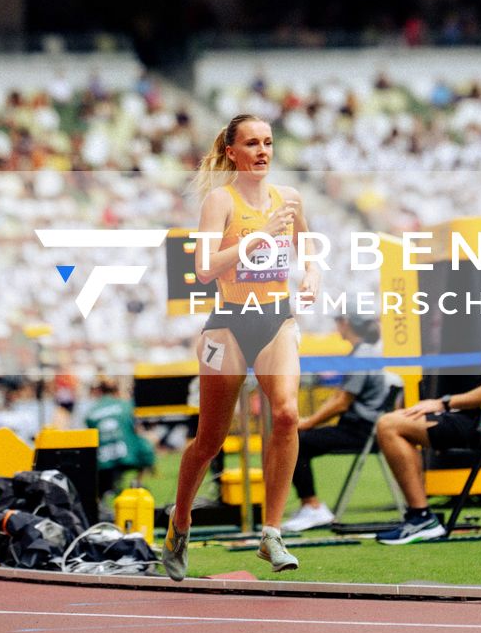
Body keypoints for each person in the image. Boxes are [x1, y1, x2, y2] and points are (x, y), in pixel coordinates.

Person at [162, 113, 318, 581]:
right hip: (228, 323)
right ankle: (180, 522)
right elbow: (205, 268)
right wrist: (260, 236)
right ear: (232, 152)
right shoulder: (220, 201)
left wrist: (311, 274)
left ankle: (271, 532)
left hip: (277, 317)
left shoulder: (288, 198)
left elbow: (307, 244)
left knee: (287, 413)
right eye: (252, 143)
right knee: (211, 439)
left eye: (268, 142)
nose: (263, 151)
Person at [373, 252, 481, 544]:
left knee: (389, 425)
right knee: (399, 421)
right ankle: (420, 515)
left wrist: (442, 402)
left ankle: (421, 517)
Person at [285, 312, 390, 533]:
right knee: (300, 437)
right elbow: (339, 398)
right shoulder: (363, 352)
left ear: (346, 323)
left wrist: (307, 423)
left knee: (298, 441)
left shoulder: (362, 355)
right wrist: (309, 421)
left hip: (361, 430)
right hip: (362, 427)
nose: (336, 326)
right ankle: (310, 505)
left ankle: (312, 506)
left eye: (338, 321)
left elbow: (341, 403)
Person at [81, 375, 156, 498]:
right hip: (128, 455)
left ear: (99, 391)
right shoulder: (126, 405)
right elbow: (137, 429)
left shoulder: (91, 412)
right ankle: (138, 482)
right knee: (146, 443)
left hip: (102, 459)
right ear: (117, 390)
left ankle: (107, 489)